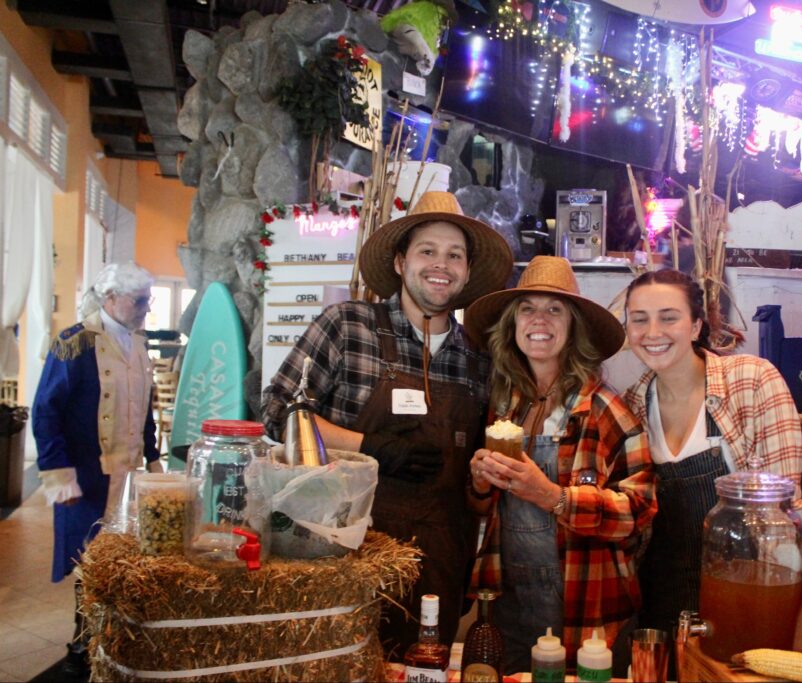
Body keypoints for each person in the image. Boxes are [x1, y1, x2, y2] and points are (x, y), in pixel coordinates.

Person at [261, 191, 513, 654]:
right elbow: (280, 412)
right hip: (340, 554)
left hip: (438, 559)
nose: (442, 264)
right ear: (400, 262)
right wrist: (370, 445)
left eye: (455, 255)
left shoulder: (479, 359)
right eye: (428, 251)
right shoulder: (347, 325)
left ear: (467, 271)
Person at [464, 256, 656, 673]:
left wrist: (551, 496)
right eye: (528, 309)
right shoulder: (504, 409)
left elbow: (639, 511)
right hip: (510, 607)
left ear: (573, 330)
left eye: (555, 310)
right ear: (512, 326)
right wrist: (481, 483)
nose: (540, 320)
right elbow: (485, 510)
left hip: (591, 615)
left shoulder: (606, 409)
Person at [622, 269, 802, 636]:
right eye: (639, 320)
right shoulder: (632, 405)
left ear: (695, 326)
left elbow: (786, 518)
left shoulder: (753, 381)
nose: (652, 332)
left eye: (669, 318)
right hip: (658, 600)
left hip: (742, 595)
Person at [33, 262, 162, 677]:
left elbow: (143, 409)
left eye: (147, 300)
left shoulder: (139, 344)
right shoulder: (74, 343)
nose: (146, 308)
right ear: (109, 298)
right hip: (85, 477)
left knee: (122, 561)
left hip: (129, 477)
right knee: (87, 562)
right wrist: (58, 473)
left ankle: (114, 640)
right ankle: (83, 642)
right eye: (138, 301)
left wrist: (154, 457)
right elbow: (45, 411)